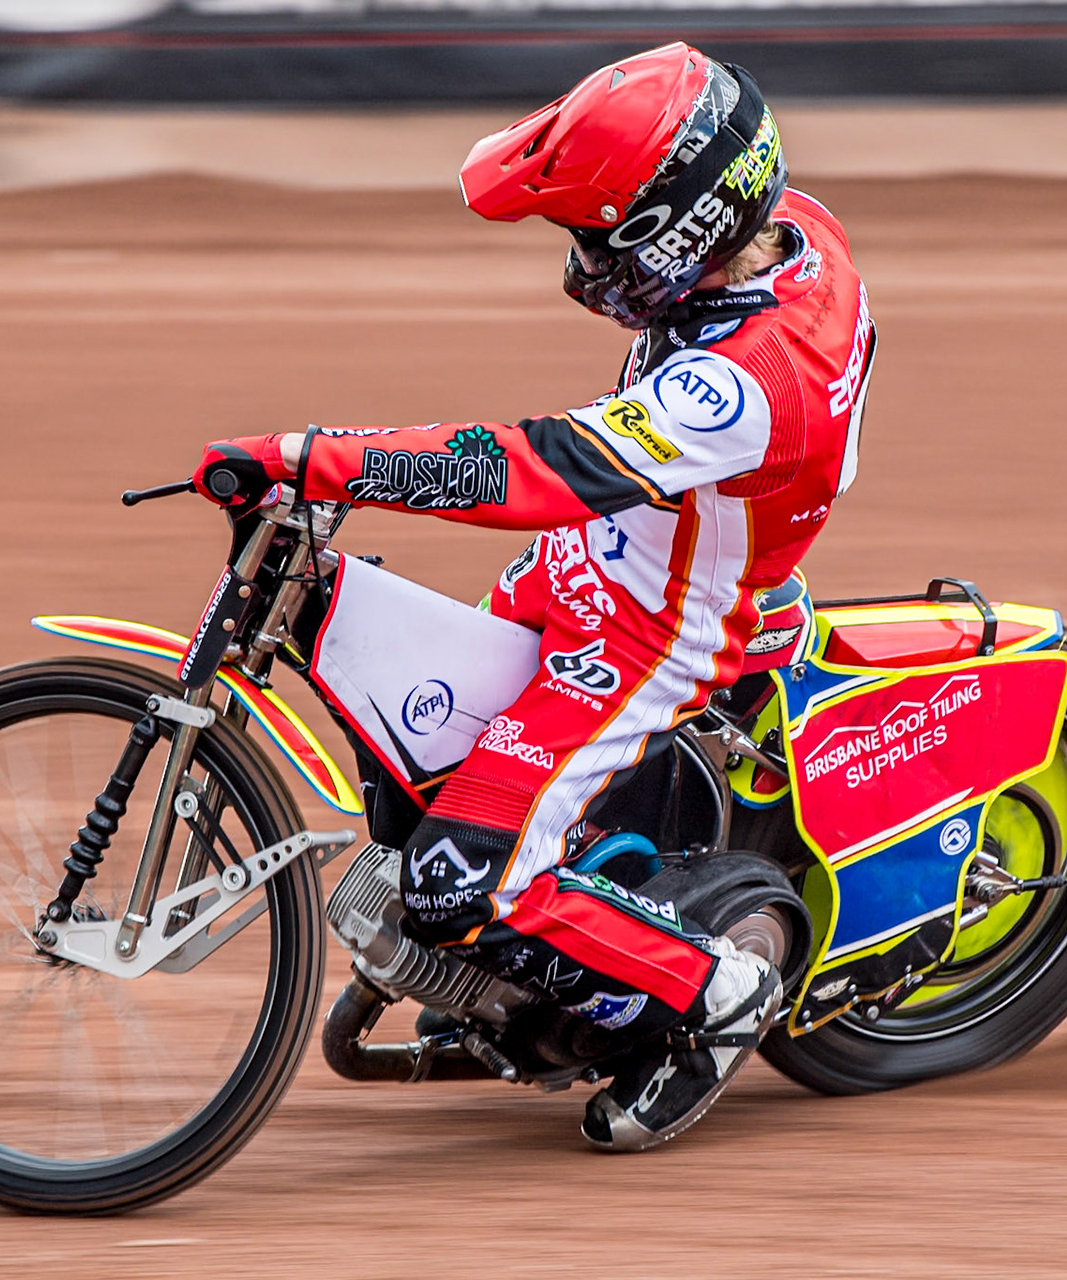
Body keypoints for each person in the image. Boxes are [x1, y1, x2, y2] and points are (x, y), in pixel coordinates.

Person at [191, 42, 874, 1151]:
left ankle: (711, 997)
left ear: (687, 230)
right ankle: (537, 947)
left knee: (460, 882)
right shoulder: (793, 229)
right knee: (424, 753)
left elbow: (531, 470)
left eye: (604, 237)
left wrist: (324, 456)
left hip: (655, 630)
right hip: (596, 561)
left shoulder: (744, 382)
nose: (587, 262)